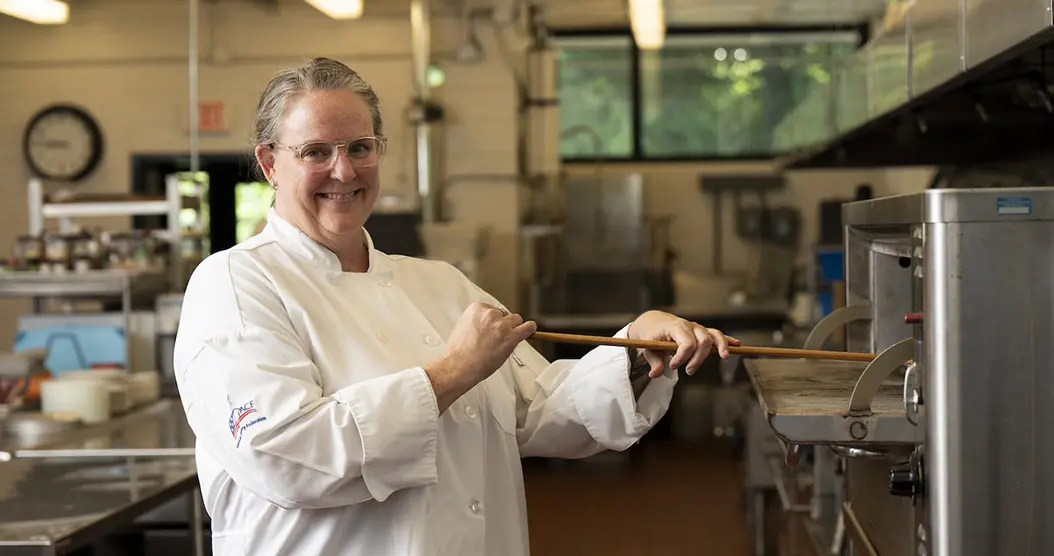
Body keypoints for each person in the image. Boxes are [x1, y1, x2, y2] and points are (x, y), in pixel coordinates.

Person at [172, 57, 740, 556]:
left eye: (360, 147)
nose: (343, 171)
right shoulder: (235, 284)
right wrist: (451, 372)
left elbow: (537, 411)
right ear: (270, 164)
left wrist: (638, 351)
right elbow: (286, 456)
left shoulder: (439, 284)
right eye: (316, 152)